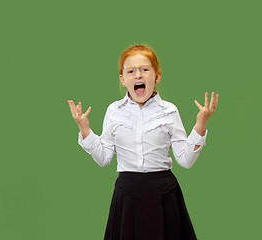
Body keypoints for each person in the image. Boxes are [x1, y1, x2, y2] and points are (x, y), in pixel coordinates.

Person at [67, 45, 219, 240]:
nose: (138, 75)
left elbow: (186, 160)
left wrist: (201, 123)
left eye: (144, 69)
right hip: (127, 195)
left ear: (156, 76)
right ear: (123, 79)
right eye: (131, 71)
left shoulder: (169, 111)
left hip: (163, 194)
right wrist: (85, 130)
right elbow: (104, 158)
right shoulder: (114, 111)